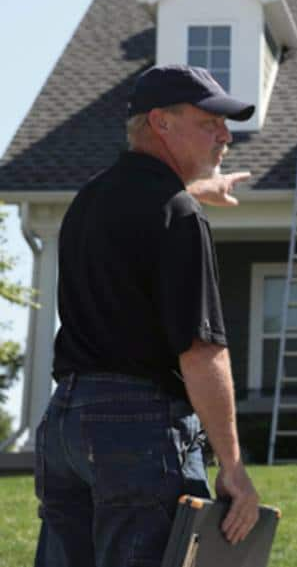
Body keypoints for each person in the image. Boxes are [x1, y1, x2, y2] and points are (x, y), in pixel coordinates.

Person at [34, 64, 260, 567]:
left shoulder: (89, 199)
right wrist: (233, 467)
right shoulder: (180, 217)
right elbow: (202, 352)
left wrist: (197, 190)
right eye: (210, 123)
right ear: (161, 122)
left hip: (65, 423)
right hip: (137, 430)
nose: (226, 135)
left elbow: (140, 209)